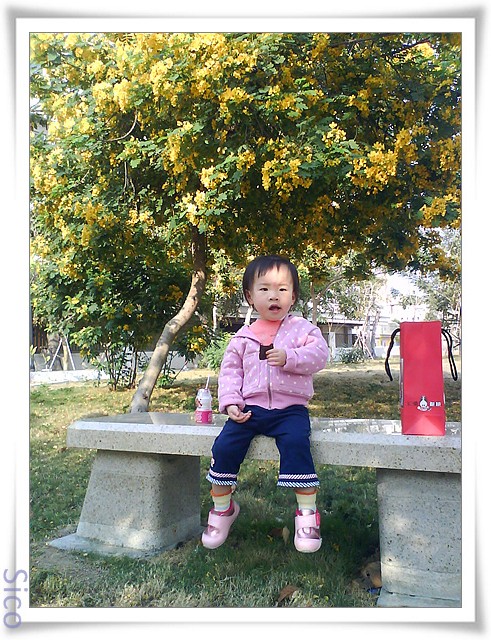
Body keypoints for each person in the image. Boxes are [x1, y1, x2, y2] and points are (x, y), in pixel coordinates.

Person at [202, 255, 329, 553]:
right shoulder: (242, 338)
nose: (274, 296)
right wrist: (231, 403)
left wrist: (290, 358)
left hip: (290, 410)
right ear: (250, 296)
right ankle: (222, 509)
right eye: (265, 289)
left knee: (297, 444)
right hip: (251, 410)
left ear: (293, 296)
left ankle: (307, 515)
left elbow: (320, 356)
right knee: (224, 447)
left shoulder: (302, 330)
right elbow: (230, 373)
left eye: (282, 289)